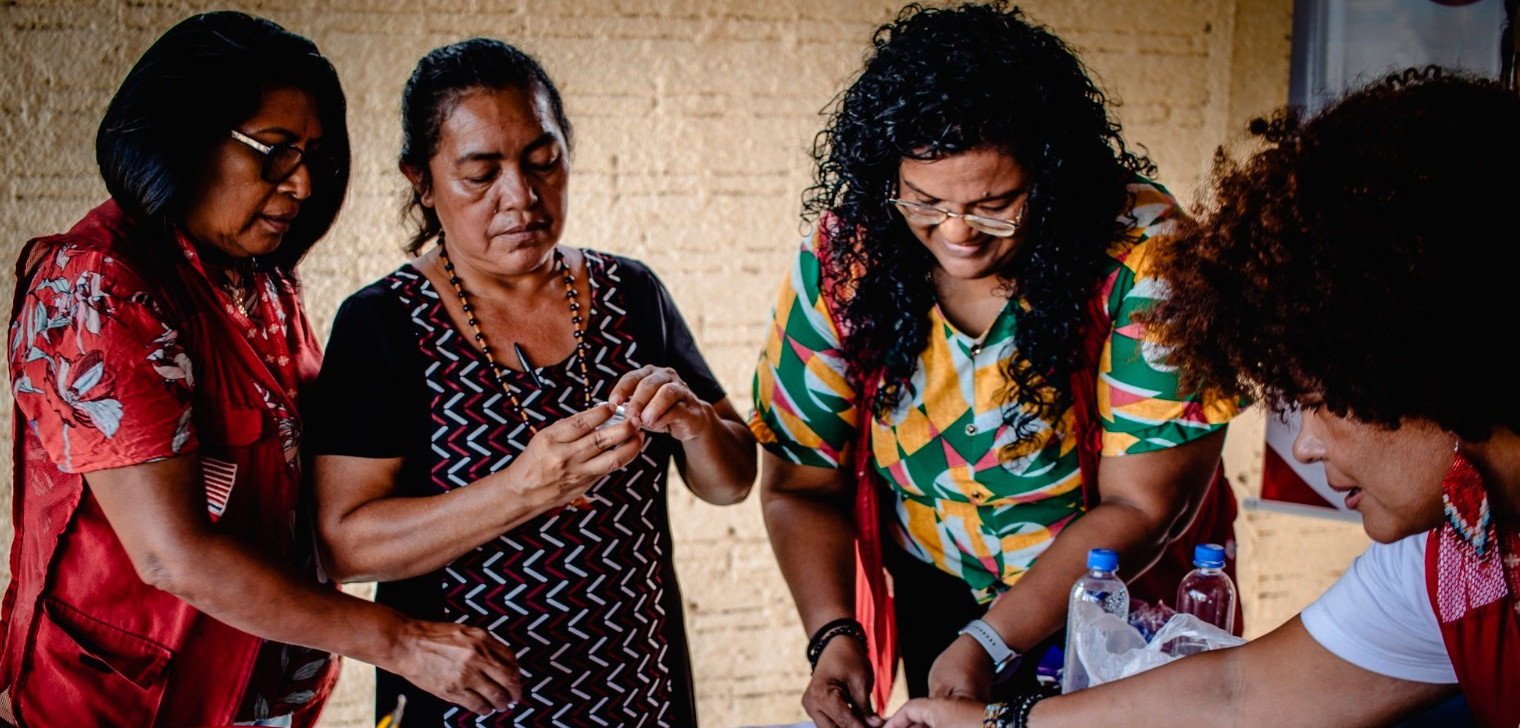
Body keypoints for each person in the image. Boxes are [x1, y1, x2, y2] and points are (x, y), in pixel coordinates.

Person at [885, 66, 1518, 728]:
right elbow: (1239, 693)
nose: (1304, 444)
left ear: (1430, 364)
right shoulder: (1451, 556)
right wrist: (996, 723)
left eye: (1317, 397)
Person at [0, 12, 521, 727]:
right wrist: (400, 641)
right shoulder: (94, 289)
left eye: (315, 158)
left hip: (257, 697)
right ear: (183, 134)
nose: (301, 185)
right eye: (273, 152)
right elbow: (170, 555)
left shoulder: (258, 280)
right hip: (132, 706)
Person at [748, 2, 1243, 726]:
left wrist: (991, 638)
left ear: (1053, 174)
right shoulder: (846, 258)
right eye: (924, 202)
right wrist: (833, 635)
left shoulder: (1146, 257)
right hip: (935, 595)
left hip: (1116, 601)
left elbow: (1143, 506)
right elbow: (799, 485)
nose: (956, 234)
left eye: (994, 205)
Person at [304, 37, 758, 727]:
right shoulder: (384, 324)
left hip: (640, 686)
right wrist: (521, 490)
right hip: (468, 699)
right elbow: (342, 543)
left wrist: (695, 423)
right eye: (480, 174)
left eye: (543, 161)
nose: (521, 197)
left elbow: (732, 481)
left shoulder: (629, 291)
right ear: (420, 181)